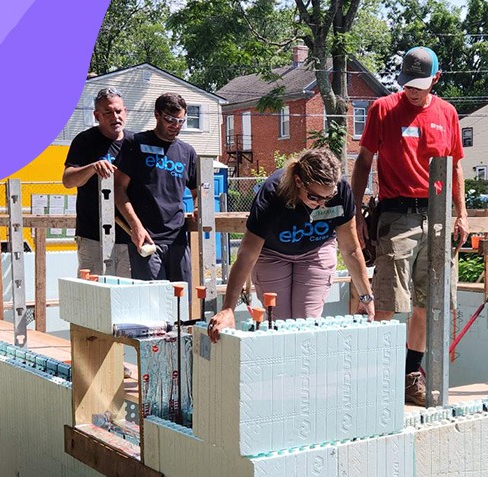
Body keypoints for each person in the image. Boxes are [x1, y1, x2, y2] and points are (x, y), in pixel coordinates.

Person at [351, 46, 468, 406]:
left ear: (436, 78)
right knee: (386, 300)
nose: (412, 89)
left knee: (427, 302)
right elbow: (364, 161)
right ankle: (375, 378)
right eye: (407, 82)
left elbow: (457, 167)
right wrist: (355, 211)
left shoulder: (447, 113)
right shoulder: (383, 109)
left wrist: (461, 213)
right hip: (396, 215)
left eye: (420, 83)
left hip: (437, 215)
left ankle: (408, 377)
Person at [207, 148, 375, 341]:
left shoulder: (342, 192)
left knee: (306, 324)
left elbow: (350, 249)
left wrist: (366, 297)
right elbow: (247, 254)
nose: (322, 204)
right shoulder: (272, 193)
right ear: (298, 181)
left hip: (315, 252)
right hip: (272, 254)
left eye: (328, 197)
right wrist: (228, 308)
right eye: (314, 197)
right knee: (281, 325)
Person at [113, 92, 200, 283]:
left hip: (178, 238)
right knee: (154, 303)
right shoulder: (135, 143)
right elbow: (118, 189)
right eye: (170, 119)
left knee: (183, 302)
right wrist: (136, 227)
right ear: (157, 115)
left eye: (181, 120)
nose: (175, 125)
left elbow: (197, 192)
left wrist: (197, 206)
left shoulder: (187, 152)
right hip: (146, 238)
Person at [62, 87, 132, 276]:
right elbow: (68, 180)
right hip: (93, 235)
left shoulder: (134, 143)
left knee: (127, 295)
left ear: (125, 111)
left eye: (118, 111)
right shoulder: (85, 141)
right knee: (92, 295)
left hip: (129, 235)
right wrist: (93, 167)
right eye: (108, 112)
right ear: (97, 115)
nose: (115, 117)